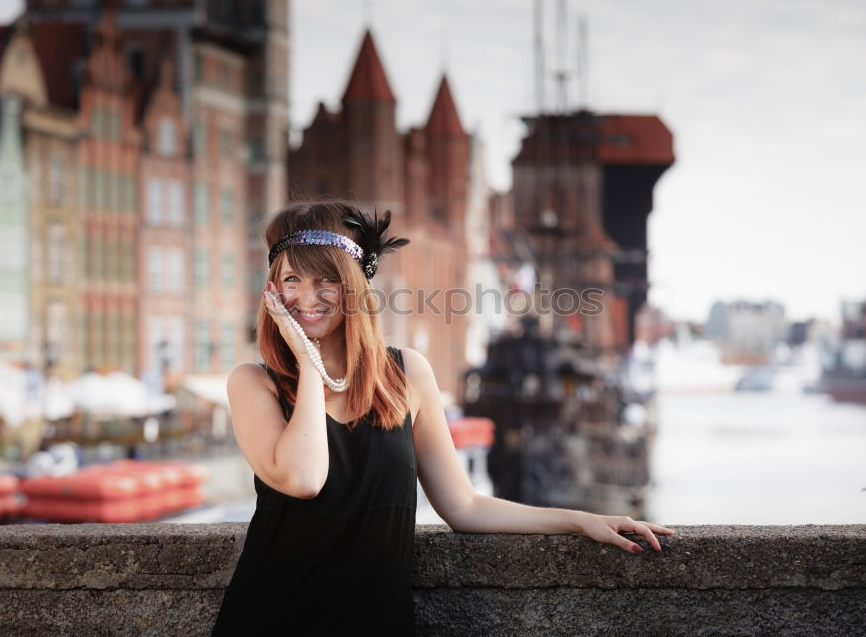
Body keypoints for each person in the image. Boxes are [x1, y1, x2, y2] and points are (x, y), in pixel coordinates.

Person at [211, 200, 674, 635]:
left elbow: (465, 506)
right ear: (272, 289)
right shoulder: (255, 383)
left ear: (352, 287)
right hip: (270, 619)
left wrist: (581, 520)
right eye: (291, 280)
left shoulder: (408, 373)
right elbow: (305, 477)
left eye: (323, 280)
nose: (305, 297)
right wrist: (308, 363)